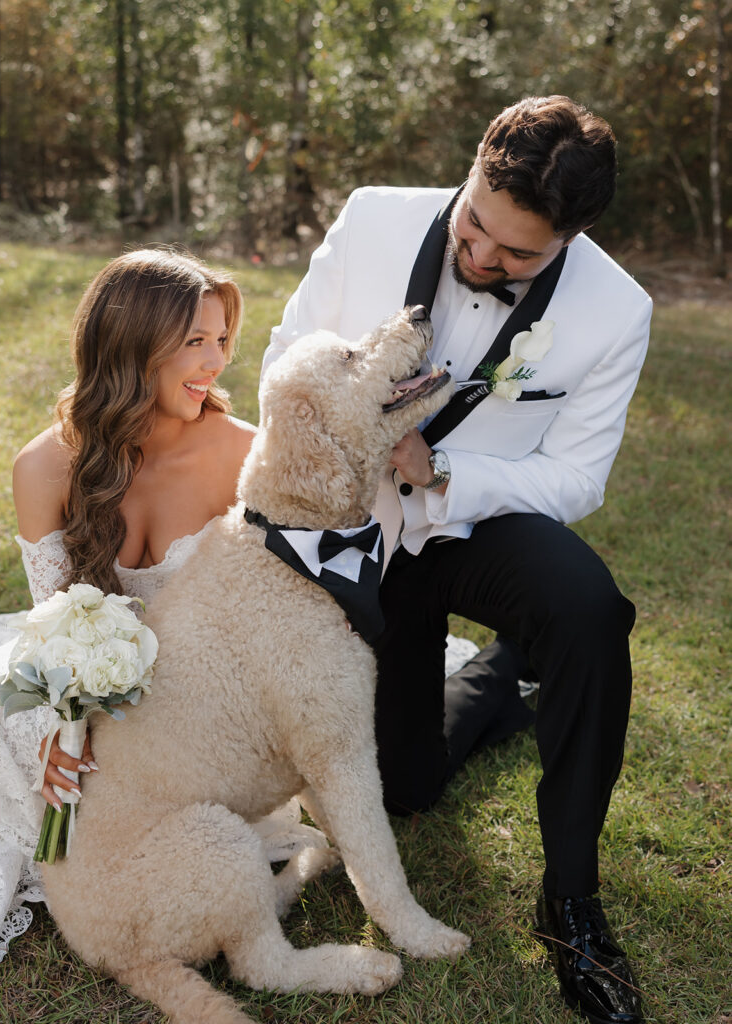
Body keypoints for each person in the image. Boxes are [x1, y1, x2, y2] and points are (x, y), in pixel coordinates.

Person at [263, 96, 651, 1024]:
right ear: (473, 165)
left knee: (589, 611)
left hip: (477, 517)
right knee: (405, 788)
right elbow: (285, 359)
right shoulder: (370, 217)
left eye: (516, 255)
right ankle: (498, 676)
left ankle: (571, 904)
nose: (481, 259)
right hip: (354, 529)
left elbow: (575, 477)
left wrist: (441, 470)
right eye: (475, 225)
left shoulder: (618, 309)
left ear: (573, 237)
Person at [0, 248, 255, 970]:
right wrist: (66, 724)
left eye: (221, 338)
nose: (215, 360)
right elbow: (57, 624)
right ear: (130, 349)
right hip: (87, 672)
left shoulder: (242, 453)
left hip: (205, 691)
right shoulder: (44, 465)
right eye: (194, 341)